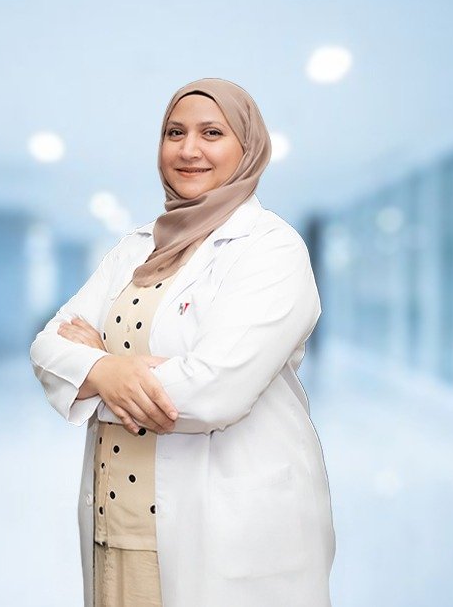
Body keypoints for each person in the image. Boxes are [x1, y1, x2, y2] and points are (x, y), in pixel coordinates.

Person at [30, 77, 336, 607]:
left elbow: (212, 392)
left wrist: (95, 368)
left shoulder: (271, 249)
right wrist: (109, 369)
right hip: (116, 526)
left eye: (211, 133)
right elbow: (48, 347)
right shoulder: (136, 248)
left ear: (248, 147)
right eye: (175, 133)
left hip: (225, 528)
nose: (188, 149)